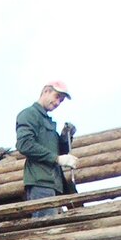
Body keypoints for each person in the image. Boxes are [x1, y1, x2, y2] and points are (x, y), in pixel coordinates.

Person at [15, 81, 77, 217]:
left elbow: (59, 152)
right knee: (45, 230)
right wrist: (56, 159)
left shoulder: (48, 121)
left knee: (54, 230)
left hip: (54, 184)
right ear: (46, 92)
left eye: (60, 101)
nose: (57, 103)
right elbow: (24, 144)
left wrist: (66, 136)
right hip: (40, 183)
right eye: (56, 97)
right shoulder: (29, 114)